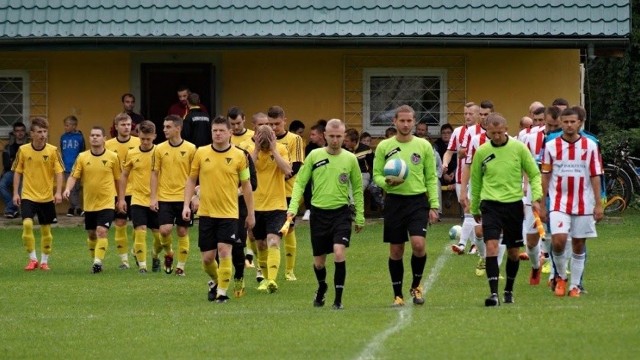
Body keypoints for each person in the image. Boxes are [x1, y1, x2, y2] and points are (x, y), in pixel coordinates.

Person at [287, 119, 364, 309]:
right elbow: (300, 182)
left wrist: (360, 215)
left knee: (339, 252)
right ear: (325, 136)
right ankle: (322, 287)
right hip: (319, 214)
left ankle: (338, 300)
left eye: (339, 136)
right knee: (319, 263)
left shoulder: (350, 159)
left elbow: (357, 188)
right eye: (332, 136)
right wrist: (293, 208)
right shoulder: (314, 156)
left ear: (344, 136)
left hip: (341, 213)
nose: (336, 140)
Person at [469, 113, 542, 306]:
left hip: (513, 205)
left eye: (500, 132)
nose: (497, 136)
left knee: (513, 252)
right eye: (493, 133)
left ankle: (509, 289)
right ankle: (493, 294)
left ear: (506, 129)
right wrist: (474, 206)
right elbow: (475, 181)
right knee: (492, 247)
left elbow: (534, 174)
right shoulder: (482, 152)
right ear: (487, 132)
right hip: (490, 204)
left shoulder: (518, 148)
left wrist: (536, 197)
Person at [183, 116, 256, 303]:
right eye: (214, 130)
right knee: (208, 259)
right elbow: (192, 179)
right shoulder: (201, 152)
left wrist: (250, 213)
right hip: (206, 213)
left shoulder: (240, 156)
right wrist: (186, 204)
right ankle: (216, 281)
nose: (217, 133)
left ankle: (222, 293)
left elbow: (246, 185)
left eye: (221, 130)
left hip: (229, 214)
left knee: (225, 251)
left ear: (230, 133)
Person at [373, 105, 440, 306]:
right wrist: (387, 182)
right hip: (394, 202)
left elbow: (430, 176)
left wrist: (434, 205)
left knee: (419, 245)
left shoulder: (424, 146)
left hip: (418, 201)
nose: (405, 124)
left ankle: (416, 286)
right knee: (396, 250)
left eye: (409, 121)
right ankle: (397, 295)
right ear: (394, 121)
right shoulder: (384, 146)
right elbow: (376, 175)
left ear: (414, 121)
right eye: (402, 121)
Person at [540, 107, 603, 297]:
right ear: (560, 122)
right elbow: (545, 176)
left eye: (572, 121)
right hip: (559, 201)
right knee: (558, 241)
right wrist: (542, 203)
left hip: (584, 202)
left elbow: (595, 175)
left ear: (580, 123)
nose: (568, 125)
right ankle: (560, 276)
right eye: (565, 121)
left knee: (578, 244)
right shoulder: (551, 146)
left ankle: (575, 286)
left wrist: (599, 204)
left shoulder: (590, 146)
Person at [239, 124, 291, 293]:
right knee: (260, 245)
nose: (264, 142)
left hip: (277, 206)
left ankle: (271, 280)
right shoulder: (248, 150)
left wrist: (274, 150)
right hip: (255, 206)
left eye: (267, 138)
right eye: (261, 138)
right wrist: (255, 149)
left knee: (273, 241)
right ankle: (264, 277)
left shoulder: (281, 149)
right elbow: (244, 172)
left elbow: (288, 170)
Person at [64, 126, 122, 273]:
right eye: (92, 135)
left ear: (104, 139)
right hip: (89, 203)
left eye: (98, 135)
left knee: (101, 231)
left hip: (107, 202)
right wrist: (67, 189)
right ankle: (96, 260)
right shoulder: (82, 157)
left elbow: (118, 179)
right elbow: (74, 176)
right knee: (91, 234)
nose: (94, 137)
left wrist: (120, 199)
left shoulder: (112, 157)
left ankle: (97, 262)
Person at [12, 117, 64, 271]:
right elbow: (17, 172)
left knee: (45, 230)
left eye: (45, 131)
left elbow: (59, 172)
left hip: (47, 197)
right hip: (28, 195)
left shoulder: (53, 151)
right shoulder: (23, 150)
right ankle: (32, 259)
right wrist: (15, 193)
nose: (43, 135)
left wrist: (59, 192)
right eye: (39, 132)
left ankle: (44, 261)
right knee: (27, 224)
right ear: (32, 134)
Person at [150, 115, 197, 276]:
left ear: (178, 128)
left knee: (182, 232)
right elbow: (154, 174)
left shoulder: (191, 149)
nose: (164, 130)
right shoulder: (159, 149)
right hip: (165, 197)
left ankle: (181, 267)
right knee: (164, 230)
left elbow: (196, 175)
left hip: (184, 197)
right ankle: (169, 253)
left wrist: (195, 196)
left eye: (168, 127)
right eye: (164, 127)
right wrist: (153, 197)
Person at [118, 120, 161, 273]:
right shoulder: (132, 153)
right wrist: (122, 198)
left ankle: (155, 255)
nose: (145, 142)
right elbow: (124, 176)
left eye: (148, 139)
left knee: (159, 237)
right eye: (142, 138)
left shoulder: (160, 152)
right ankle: (142, 266)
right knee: (140, 230)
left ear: (154, 136)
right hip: (137, 198)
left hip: (156, 199)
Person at [268, 105, 305, 281]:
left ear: (284, 120)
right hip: (268, 193)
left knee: (288, 229)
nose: (274, 128)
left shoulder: (295, 139)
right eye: (270, 124)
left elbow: (296, 166)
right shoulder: (266, 140)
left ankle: (289, 271)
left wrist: (274, 179)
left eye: (277, 123)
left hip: (288, 190)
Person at [105, 113, 141, 269]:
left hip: (137, 190)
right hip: (117, 191)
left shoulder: (139, 142)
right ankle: (124, 261)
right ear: (116, 126)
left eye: (129, 125)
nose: (127, 127)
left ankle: (136, 251)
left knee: (138, 225)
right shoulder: (108, 145)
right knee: (120, 223)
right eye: (123, 125)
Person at [60, 116, 85, 217]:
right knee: (70, 188)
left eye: (67, 125)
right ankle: (77, 208)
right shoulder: (63, 137)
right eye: (65, 125)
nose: (65, 127)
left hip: (77, 166)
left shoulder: (79, 137)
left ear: (74, 126)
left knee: (76, 188)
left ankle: (72, 208)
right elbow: (62, 150)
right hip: (66, 166)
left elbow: (82, 151)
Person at [2, 121, 27, 218]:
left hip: (25, 173)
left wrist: (15, 162)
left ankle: (10, 210)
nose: (20, 133)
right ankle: (12, 207)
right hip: (11, 172)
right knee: (1, 185)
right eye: (17, 131)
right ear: (14, 133)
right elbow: (6, 164)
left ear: (25, 132)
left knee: (22, 187)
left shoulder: (29, 146)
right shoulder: (8, 147)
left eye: (22, 131)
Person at [302, 122, 326, 221]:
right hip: (314, 172)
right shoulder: (309, 148)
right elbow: (309, 164)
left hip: (328, 173)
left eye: (313, 134)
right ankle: (309, 209)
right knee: (307, 180)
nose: (310, 137)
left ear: (321, 135)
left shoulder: (331, 146)